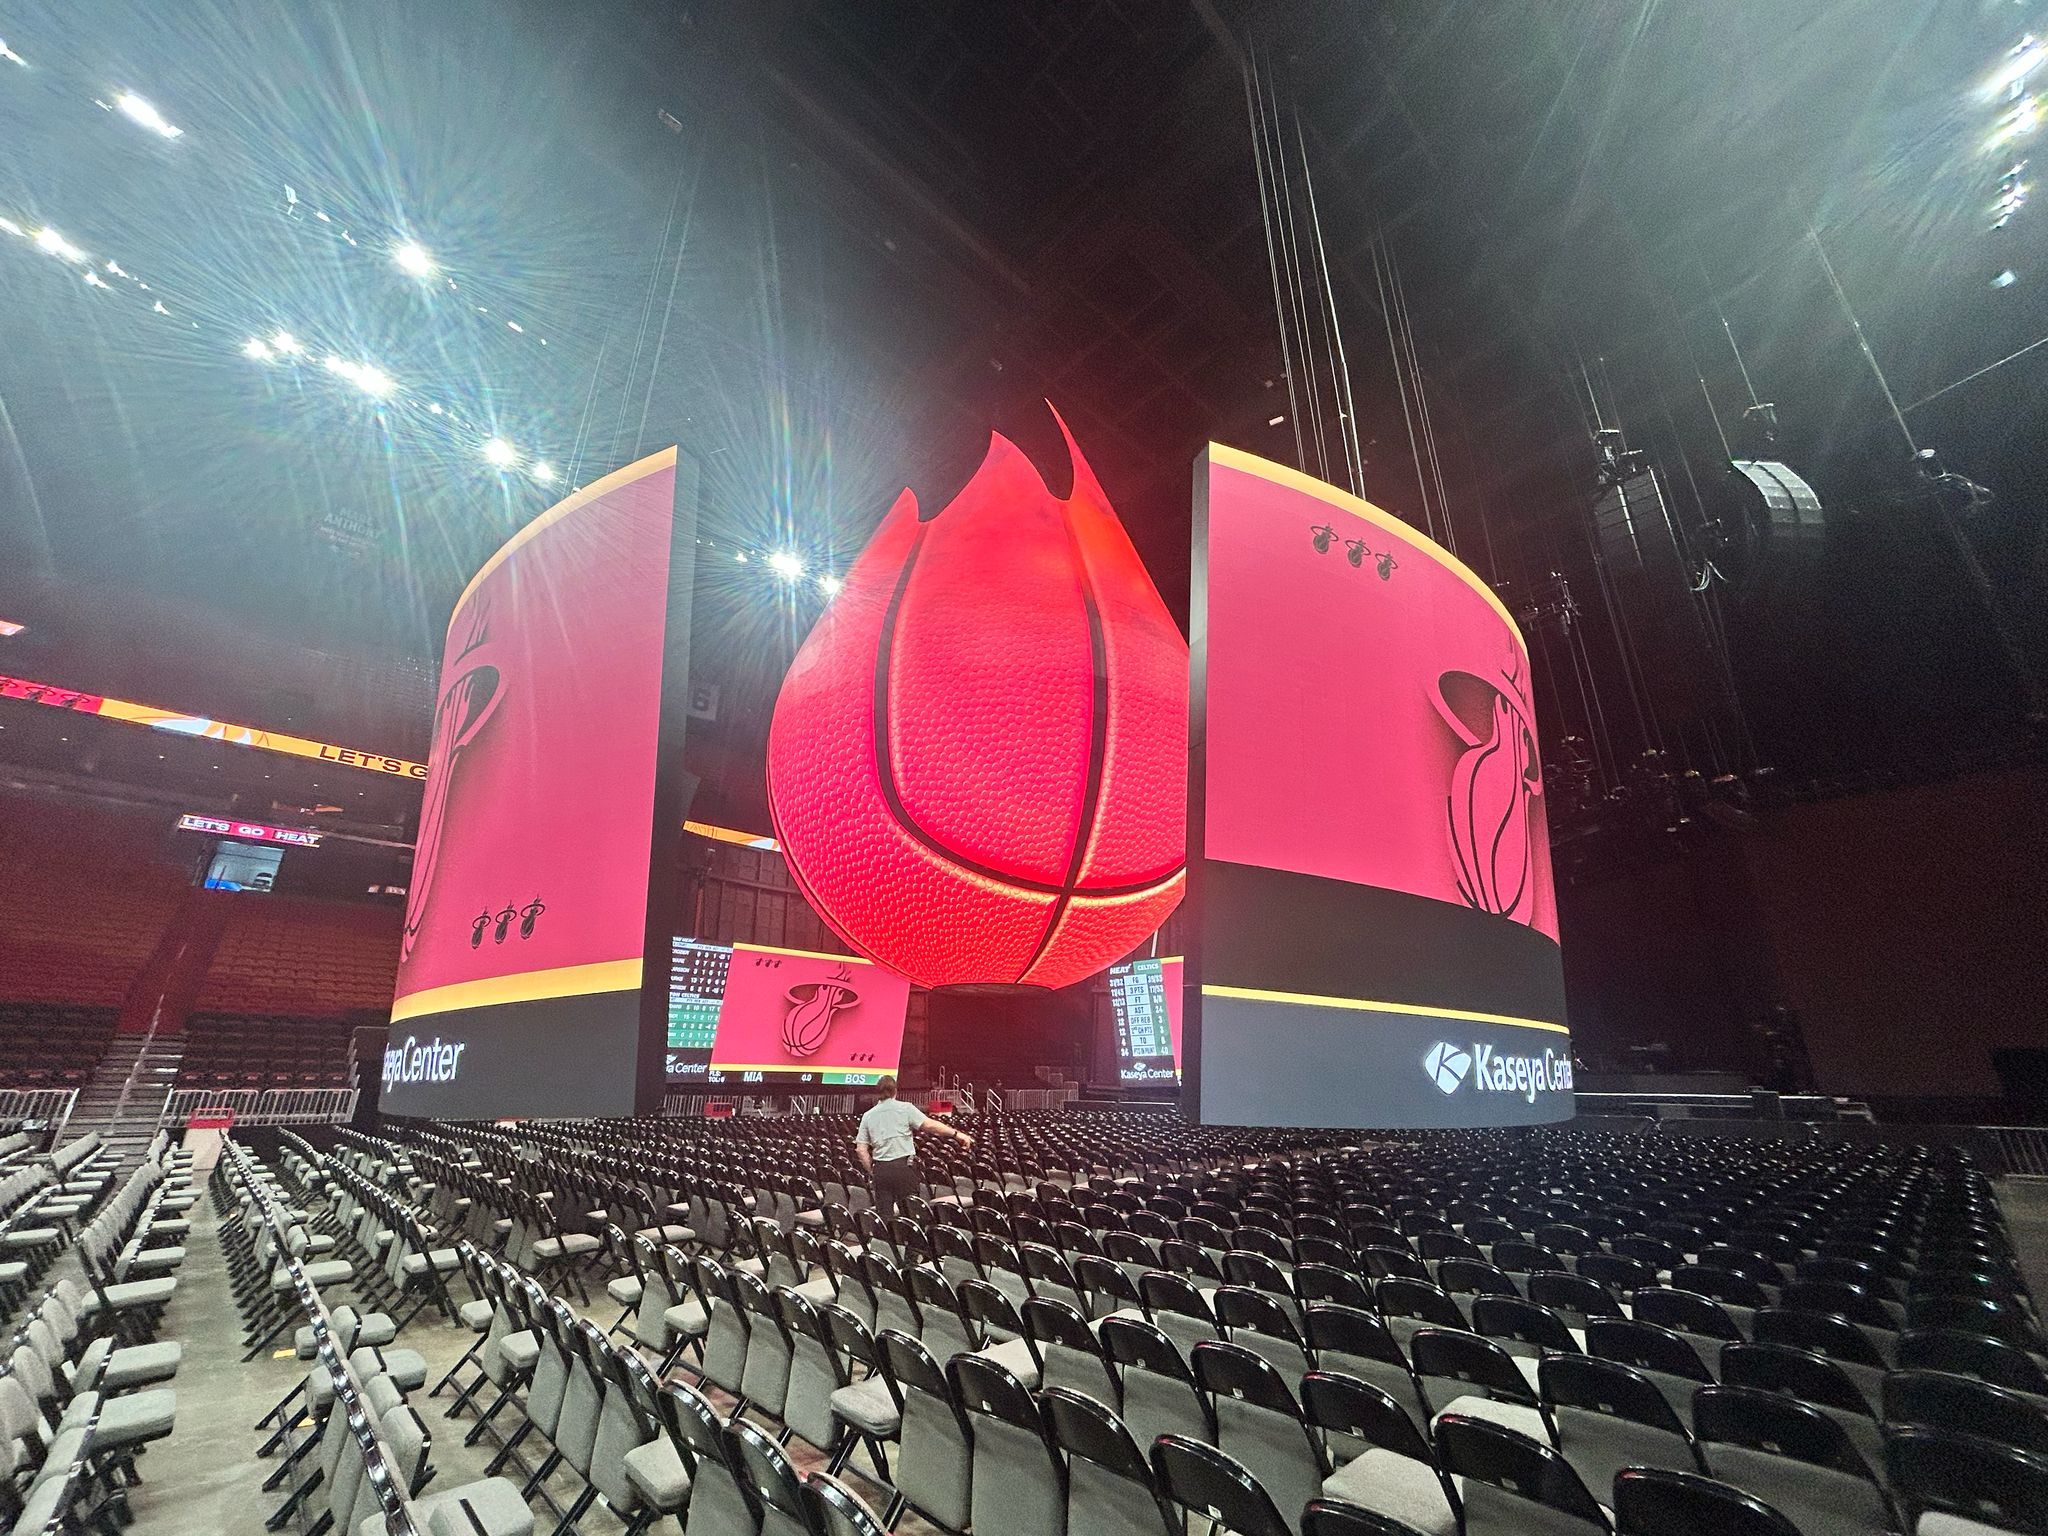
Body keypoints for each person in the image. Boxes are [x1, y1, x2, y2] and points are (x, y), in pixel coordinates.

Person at [855, 1075, 972, 1221]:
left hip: (881, 1170)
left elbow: (861, 1150)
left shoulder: (867, 1116)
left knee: (884, 1218)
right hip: (903, 1168)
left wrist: (872, 1170)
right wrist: (956, 1133)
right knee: (910, 1216)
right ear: (895, 1091)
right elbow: (930, 1125)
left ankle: (886, 1243)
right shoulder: (906, 1109)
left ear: (878, 1092)